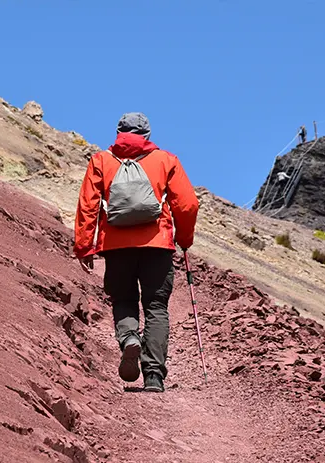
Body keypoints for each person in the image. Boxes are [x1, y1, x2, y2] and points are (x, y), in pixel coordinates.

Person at [73, 112, 199, 393]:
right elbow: (188, 204)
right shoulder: (166, 160)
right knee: (156, 307)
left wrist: (84, 246)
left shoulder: (101, 161)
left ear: (118, 132)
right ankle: (154, 375)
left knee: (124, 298)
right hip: (157, 246)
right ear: (148, 136)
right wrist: (184, 239)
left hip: (116, 247)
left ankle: (129, 336)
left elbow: (87, 206)